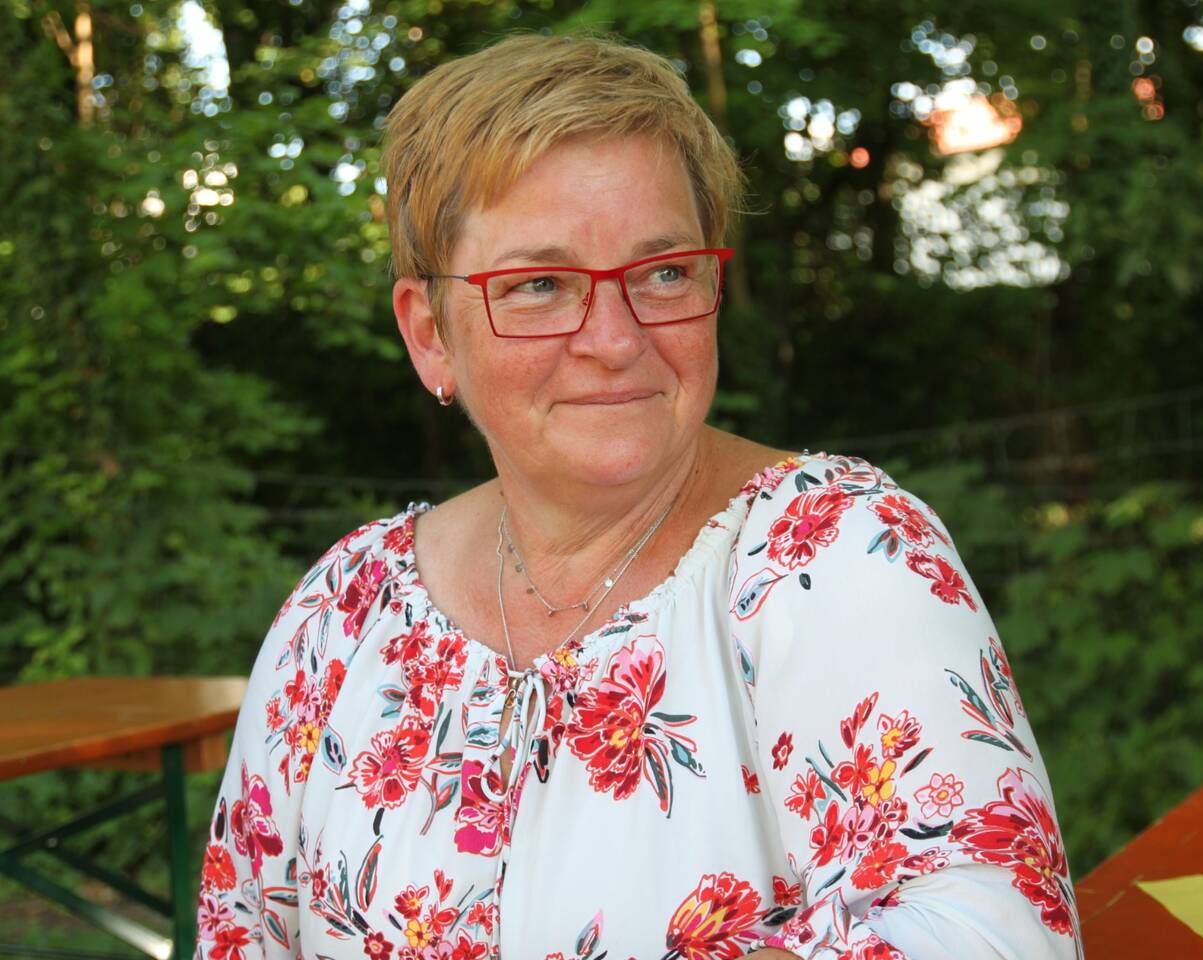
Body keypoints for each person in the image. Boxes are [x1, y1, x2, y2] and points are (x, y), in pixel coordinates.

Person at [195, 33, 1080, 960]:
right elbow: (241, 932)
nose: (615, 340)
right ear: (430, 335)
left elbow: (993, 935)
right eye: (540, 285)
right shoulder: (342, 613)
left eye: (663, 273)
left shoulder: (837, 557)